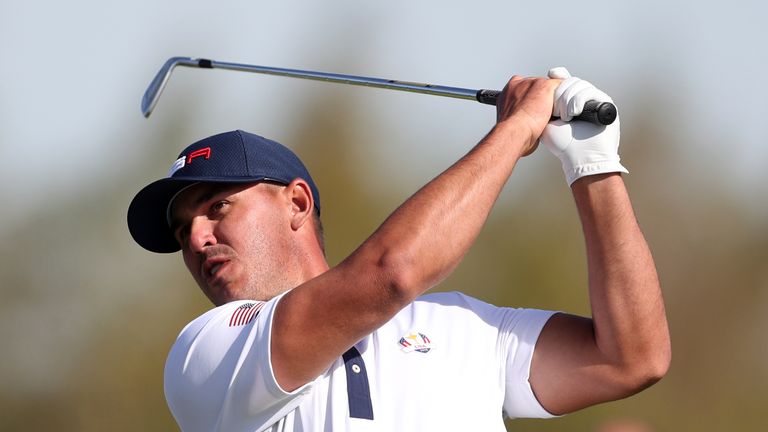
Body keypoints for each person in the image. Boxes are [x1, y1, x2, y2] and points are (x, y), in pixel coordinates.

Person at [127, 67, 671, 431]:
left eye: (216, 207)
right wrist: (518, 128)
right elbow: (392, 273)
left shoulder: (464, 328)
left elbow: (631, 358)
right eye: (182, 231)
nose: (197, 238)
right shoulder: (206, 352)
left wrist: (593, 165)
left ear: (296, 203)